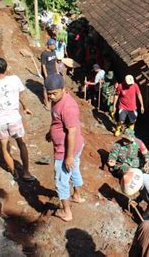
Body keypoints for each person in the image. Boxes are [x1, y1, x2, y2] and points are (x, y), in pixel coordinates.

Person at [45, 74, 85, 222]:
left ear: (63, 89)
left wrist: (68, 157)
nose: (51, 97)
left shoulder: (68, 107)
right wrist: (51, 132)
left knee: (61, 180)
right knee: (74, 169)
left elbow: (72, 132)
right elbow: (57, 120)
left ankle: (66, 212)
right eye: (48, 94)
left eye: (54, 93)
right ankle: (77, 195)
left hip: (65, 150)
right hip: (70, 147)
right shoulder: (57, 100)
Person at [41, 38, 58, 110]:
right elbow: (43, 65)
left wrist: (57, 71)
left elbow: (55, 62)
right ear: (49, 45)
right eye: (53, 45)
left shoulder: (54, 52)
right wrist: (46, 75)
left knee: (53, 87)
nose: (54, 46)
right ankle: (47, 103)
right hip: (47, 73)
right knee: (46, 88)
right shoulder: (44, 54)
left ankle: (51, 100)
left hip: (53, 72)